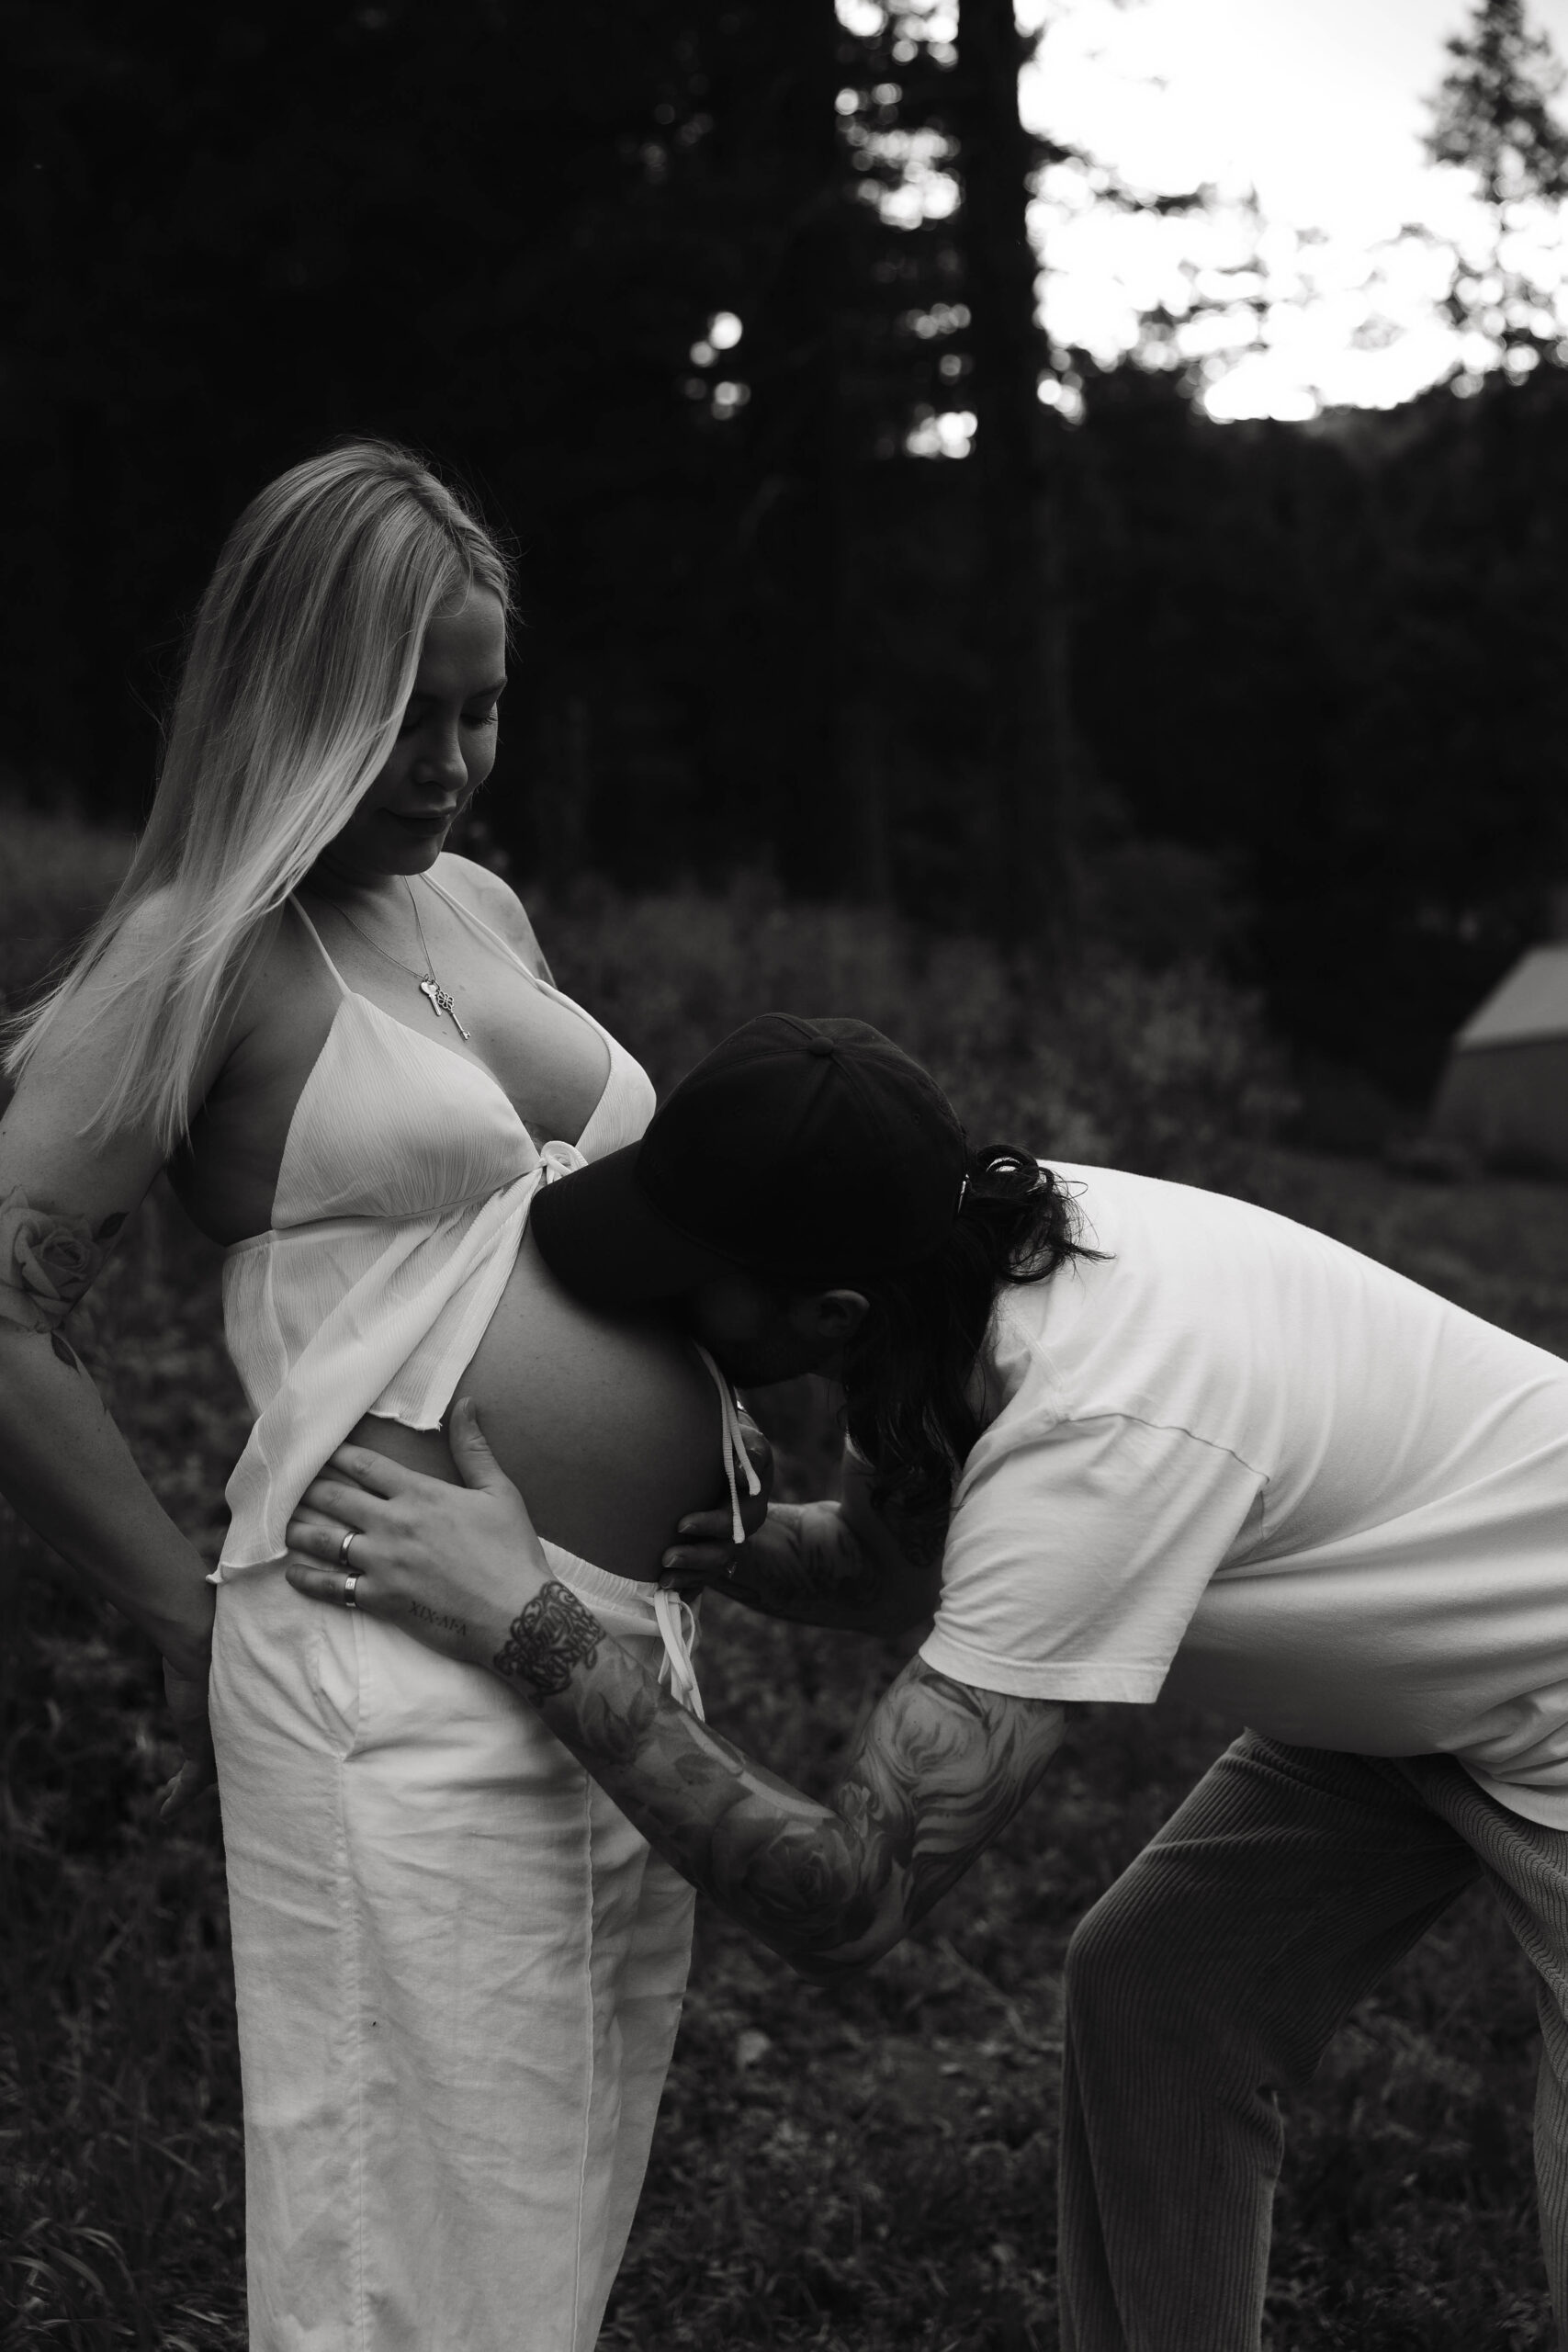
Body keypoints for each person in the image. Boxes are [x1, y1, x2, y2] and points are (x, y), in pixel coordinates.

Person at [288, 1011, 1568, 2352]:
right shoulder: (948, 1265)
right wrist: (735, 1537)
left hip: (1548, 1694)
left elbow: (851, 1900)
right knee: (1160, 1989)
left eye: (690, 1279)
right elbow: (892, 1570)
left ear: (828, 1313)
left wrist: (531, 1624)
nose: (660, 1307)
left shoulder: (1092, 1429)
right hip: (1425, 1665)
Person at [0, 439, 757, 2352]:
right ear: (291, 699)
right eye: (399, 714)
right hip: (379, 1671)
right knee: (394, 2263)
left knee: (540, 2230)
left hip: (600, 1658)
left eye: (481, 708)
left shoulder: (479, 911)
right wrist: (186, 1616)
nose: (444, 761)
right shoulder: (201, 959)